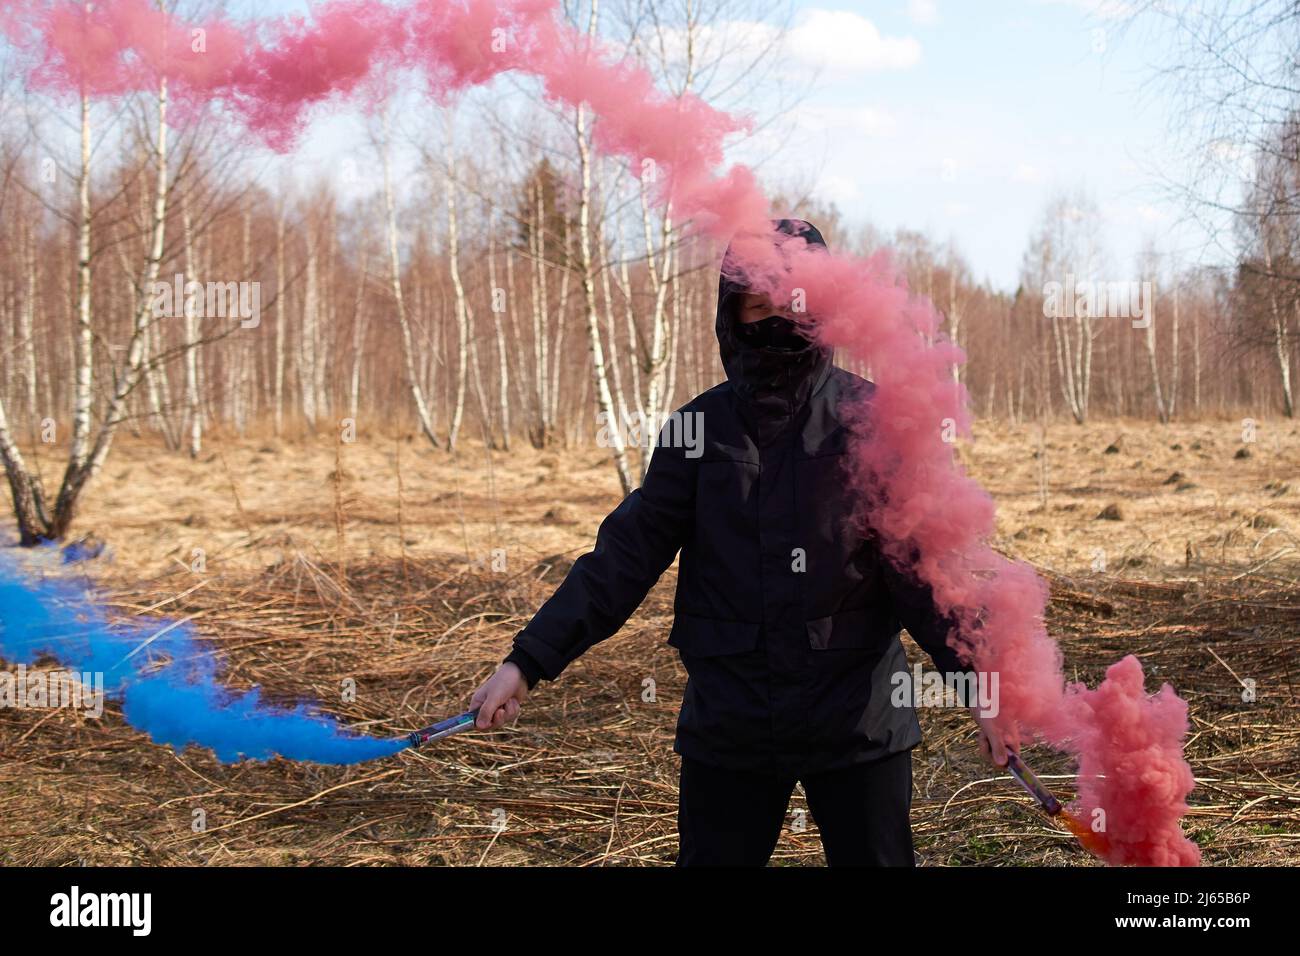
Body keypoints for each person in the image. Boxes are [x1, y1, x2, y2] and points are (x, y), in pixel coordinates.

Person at [469, 218, 1018, 866]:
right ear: (733, 312)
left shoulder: (876, 425)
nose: (776, 318)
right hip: (731, 727)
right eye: (757, 303)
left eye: (793, 302)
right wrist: (528, 662)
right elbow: (624, 558)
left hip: (858, 724)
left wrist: (984, 690)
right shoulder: (697, 431)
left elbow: (925, 575)